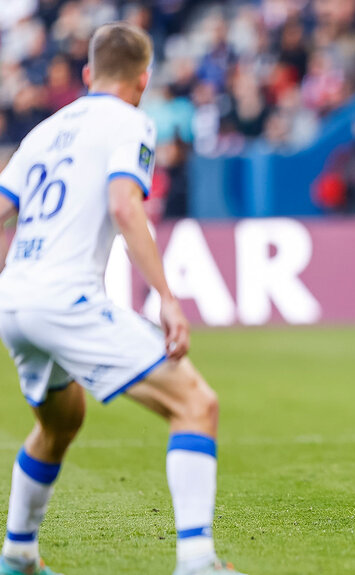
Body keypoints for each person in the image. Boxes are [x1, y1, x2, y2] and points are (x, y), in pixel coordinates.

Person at [0, 23, 244, 575]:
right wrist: (167, 297)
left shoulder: (44, 130)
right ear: (143, 79)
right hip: (65, 299)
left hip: (14, 299)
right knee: (196, 404)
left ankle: (16, 556)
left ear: (88, 75)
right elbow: (125, 206)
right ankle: (198, 562)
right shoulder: (132, 122)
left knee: (60, 421)